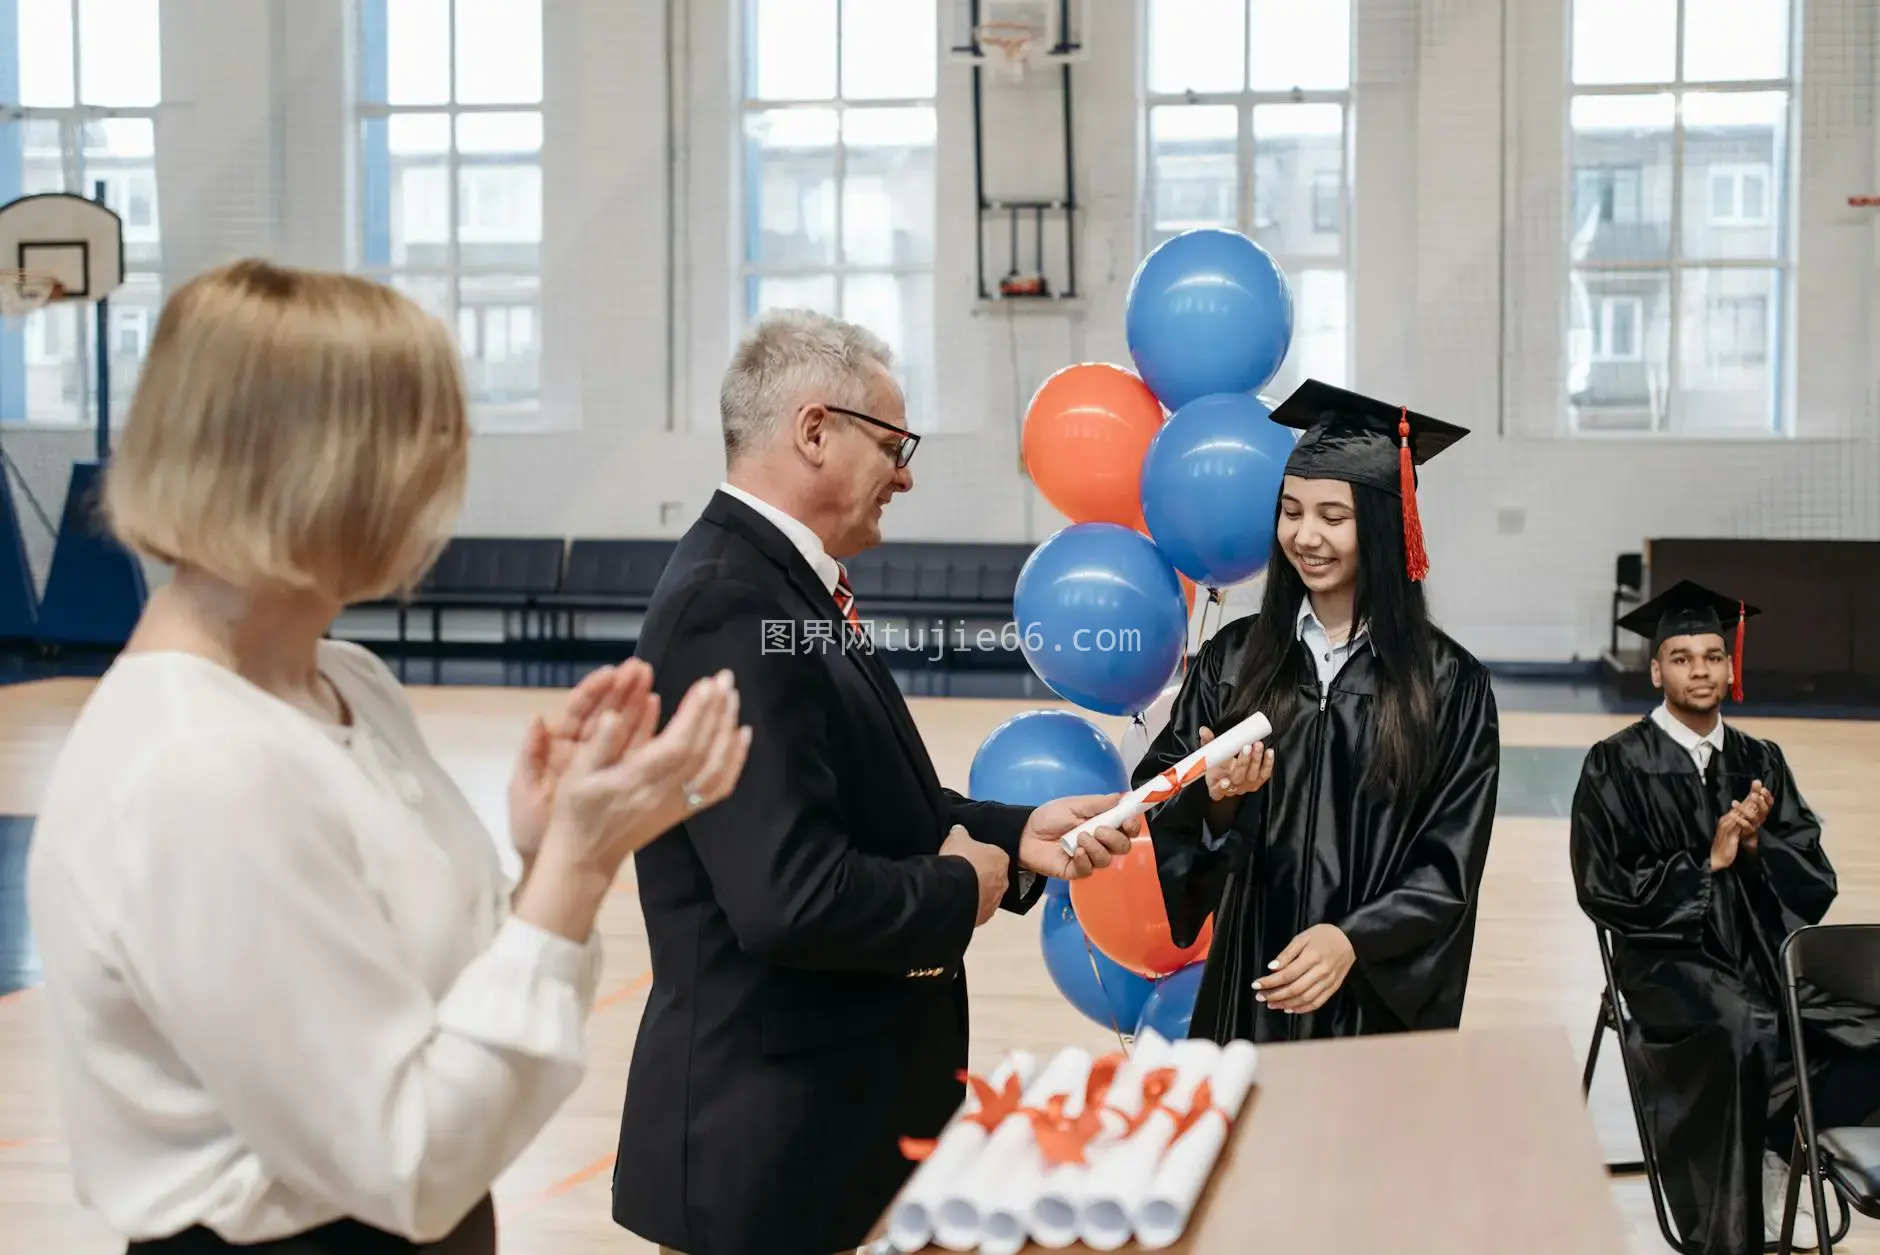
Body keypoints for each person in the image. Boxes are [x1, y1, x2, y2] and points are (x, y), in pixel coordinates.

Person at [25, 260, 750, 1255]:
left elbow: (452, 1017)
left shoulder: (346, 682)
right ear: (323, 469)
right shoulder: (197, 767)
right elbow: (405, 1160)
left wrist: (543, 858)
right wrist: (578, 869)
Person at [609, 309, 1138, 1255]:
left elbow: (857, 801)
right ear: (815, 431)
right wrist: (959, 886)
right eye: (894, 444)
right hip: (767, 1148)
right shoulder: (732, 603)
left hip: (821, 1129)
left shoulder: (778, 586)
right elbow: (791, 897)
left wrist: (1012, 836)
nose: (907, 473)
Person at [1133, 378, 1500, 1045]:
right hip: (1253, 978)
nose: (1305, 536)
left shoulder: (1450, 684)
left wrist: (1353, 937)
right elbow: (1154, 800)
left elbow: (1451, 861)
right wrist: (1214, 803)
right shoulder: (1235, 659)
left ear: (1385, 527)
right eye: (1292, 511)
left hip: (1368, 994)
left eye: (1334, 516)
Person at [1571, 579, 1880, 1251]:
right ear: (1656, 669)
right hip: (1668, 963)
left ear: (1731, 664)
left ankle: (1779, 1153)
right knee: (1740, 1025)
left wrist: (1762, 843)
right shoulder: (1615, 764)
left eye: (1713, 654)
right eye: (1682, 656)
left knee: (1862, 1026)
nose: (1701, 668)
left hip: (1763, 957)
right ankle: (1731, 1214)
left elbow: (1817, 882)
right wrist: (1706, 862)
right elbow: (1601, 886)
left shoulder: (1759, 759)